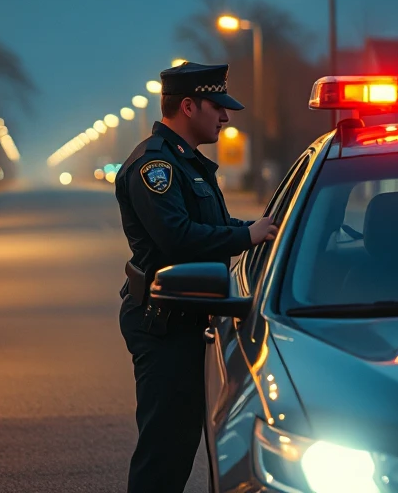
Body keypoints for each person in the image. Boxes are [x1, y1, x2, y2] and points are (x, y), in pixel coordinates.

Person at [115, 61, 278, 493]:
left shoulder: (187, 164)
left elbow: (212, 227)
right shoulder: (156, 167)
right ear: (188, 106)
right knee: (164, 457)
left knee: (182, 446)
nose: (225, 117)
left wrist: (263, 231)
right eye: (217, 106)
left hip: (188, 319)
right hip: (164, 324)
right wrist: (247, 235)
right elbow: (178, 239)